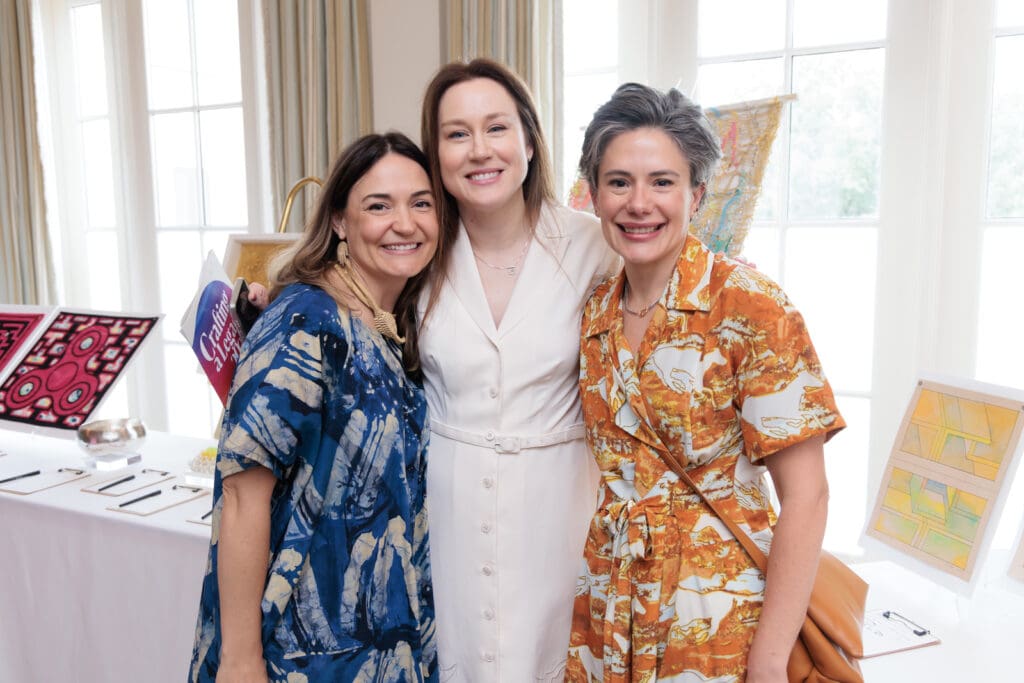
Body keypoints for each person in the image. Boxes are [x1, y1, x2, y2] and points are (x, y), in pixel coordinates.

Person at [564, 83, 845, 682]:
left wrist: (769, 661)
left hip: (718, 618)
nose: (639, 203)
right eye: (619, 182)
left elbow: (808, 496)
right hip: (610, 605)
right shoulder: (594, 312)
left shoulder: (748, 304)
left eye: (662, 182)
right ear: (594, 195)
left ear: (696, 193)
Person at [189, 132, 442, 683]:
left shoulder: (389, 321)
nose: (405, 223)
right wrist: (240, 660)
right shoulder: (307, 321)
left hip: (378, 641)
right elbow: (242, 495)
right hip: (298, 650)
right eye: (379, 206)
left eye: (421, 203)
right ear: (339, 222)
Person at [417, 59, 620, 681]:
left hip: (560, 511)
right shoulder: (415, 248)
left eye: (497, 127)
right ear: (437, 155)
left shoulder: (596, 245)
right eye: (457, 134)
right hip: (446, 513)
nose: (480, 150)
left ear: (530, 141)